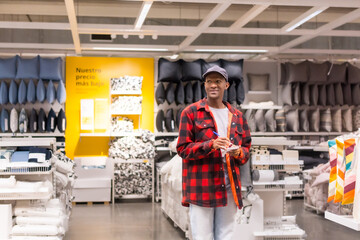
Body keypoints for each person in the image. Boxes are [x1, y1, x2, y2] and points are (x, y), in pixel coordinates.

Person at [176, 65, 252, 240]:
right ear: (204, 85)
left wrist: (238, 152)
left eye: (218, 81)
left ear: (226, 85)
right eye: (209, 81)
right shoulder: (191, 113)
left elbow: (247, 149)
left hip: (229, 185)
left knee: (227, 235)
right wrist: (210, 145)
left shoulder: (238, 116)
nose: (213, 85)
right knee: (202, 236)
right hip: (202, 186)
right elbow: (182, 149)